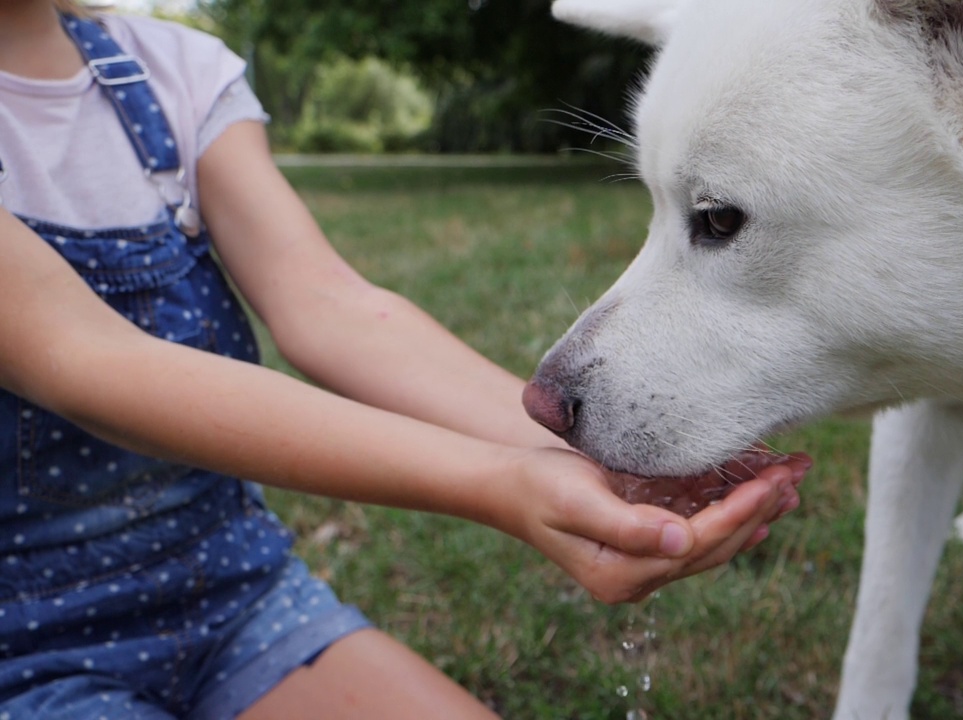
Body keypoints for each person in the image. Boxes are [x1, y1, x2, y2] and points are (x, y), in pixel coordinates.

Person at [0, 1, 809, 718]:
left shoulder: (169, 72)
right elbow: (82, 359)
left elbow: (331, 309)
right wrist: (499, 484)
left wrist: (585, 457)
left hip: (233, 600)